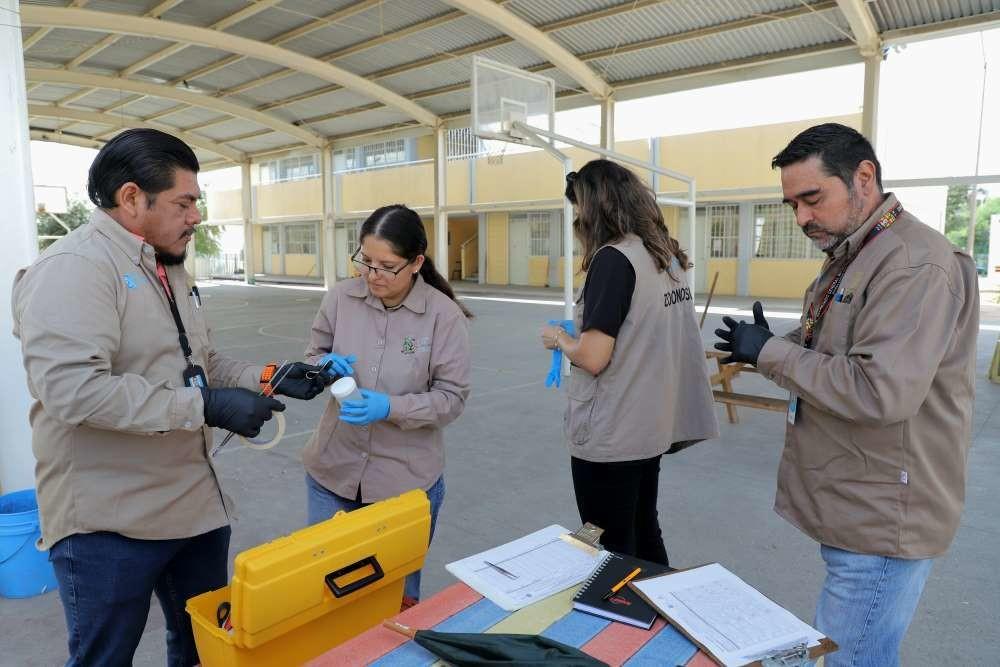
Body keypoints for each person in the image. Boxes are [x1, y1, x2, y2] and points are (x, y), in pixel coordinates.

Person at [12, 129, 332, 667]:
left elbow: (199, 365)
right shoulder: (75, 269)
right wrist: (203, 406)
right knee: (104, 657)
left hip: (193, 509)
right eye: (184, 203)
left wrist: (271, 376)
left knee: (201, 648)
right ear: (132, 198)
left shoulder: (167, 265)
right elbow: (73, 391)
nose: (196, 217)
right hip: (109, 526)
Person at [714, 123, 978, 666]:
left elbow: (879, 391)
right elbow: (840, 349)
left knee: (849, 657)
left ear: (864, 178)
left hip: (883, 515)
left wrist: (770, 353)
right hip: (858, 497)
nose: (802, 218)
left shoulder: (913, 264)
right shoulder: (859, 252)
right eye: (791, 204)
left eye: (812, 199)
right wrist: (769, 346)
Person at [540, 159, 719, 566]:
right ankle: (659, 610)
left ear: (596, 209)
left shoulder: (612, 260)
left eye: (580, 211)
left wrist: (560, 338)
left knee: (604, 541)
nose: (578, 222)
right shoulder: (663, 256)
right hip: (649, 425)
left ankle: (627, 620)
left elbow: (593, 357)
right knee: (642, 527)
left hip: (612, 432)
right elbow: (641, 327)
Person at [303, 204, 471, 608]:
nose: (372, 275)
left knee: (394, 601)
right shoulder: (342, 297)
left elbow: (451, 398)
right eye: (366, 261)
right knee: (326, 598)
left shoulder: (443, 316)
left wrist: (390, 407)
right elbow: (313, 354)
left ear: (416, 263)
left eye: (386, 266)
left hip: (404, 483)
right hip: (333, 473)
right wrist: (321, 366)